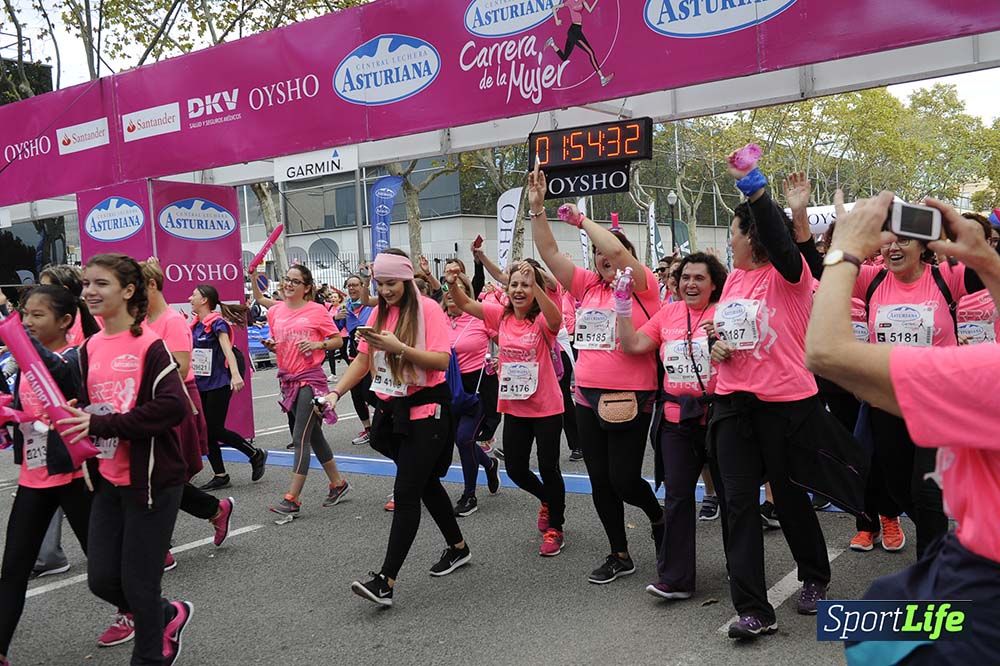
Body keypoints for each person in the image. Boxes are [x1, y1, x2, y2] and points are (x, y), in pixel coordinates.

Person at [806, 191, 1000, 664]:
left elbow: (824, 352)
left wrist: (845, 248)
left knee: (860, 627)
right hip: (905, 416)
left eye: (903, 240)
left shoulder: (983, 375)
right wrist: (988, 262)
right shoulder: (877, 285)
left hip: (983, 579)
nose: (893, 247)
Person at [707, 155, 832, 639]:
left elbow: (783, 244)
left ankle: (815, 575)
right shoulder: (735, 279)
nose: (729, 242)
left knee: (792, 498)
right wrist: (716, 344)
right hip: (733, 405)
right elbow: (730, 329)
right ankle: (755, 609)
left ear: (752, 235)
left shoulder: (790, 275)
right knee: (738, 504)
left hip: (787, 407)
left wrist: (756, 193)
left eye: (735, 232)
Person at [528, 164, 664, 582]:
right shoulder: (586, 286)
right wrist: (537, 210)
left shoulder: (644, 285)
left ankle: (660, 520)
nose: (605, 258)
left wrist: (585, 223)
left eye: (611, 252)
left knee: (624, 479)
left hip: (631, 397)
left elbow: (620, 254)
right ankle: (619, 553)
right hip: (586, 395)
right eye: (599, 255)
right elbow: (550, 254)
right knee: (601, 481)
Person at [58, 253, 193, 666]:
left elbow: (174, 407)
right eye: (86, 284)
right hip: (106, 479)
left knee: (139, 583)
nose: (90, 292)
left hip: (151, 479)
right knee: (101, 579)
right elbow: (91, 408)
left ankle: (151, 654)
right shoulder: (87, 348)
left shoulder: (150, 344)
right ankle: (166, 614)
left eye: (100, 284)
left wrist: (105, 425)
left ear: (128, 291)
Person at [323, 249, 470, 606]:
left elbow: (440, 360)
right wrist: (335, 392)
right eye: (381, 283)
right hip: (394, 413)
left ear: (405, 280)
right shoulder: (379, 312)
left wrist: (400, 348)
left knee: (406, 493)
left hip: (430, 413)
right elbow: (363, 358)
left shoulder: (429, 310)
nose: (385, 290)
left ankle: (385, 581)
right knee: (425, 483)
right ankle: (459, 547)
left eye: (391, 283)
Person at [847, 205, 988, 558]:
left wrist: (956, 241)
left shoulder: (947, 276)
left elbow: (982, 273)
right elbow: (819, 270)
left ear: (923, 245)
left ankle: (934, 567)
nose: (893, 247)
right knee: (899, 487)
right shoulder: (871, 279)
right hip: (889, 401)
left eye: (904, 240)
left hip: (939, 401)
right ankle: (939, 530)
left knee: (926, 489)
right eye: (888, 241)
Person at [617, 252, 729, 599]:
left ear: (714, 285)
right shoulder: (668, 313)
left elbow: (743, 358)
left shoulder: (724, 313)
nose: (690, 284)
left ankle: (742, 571)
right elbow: (633, 344)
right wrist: (622, 307)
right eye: (685, 278)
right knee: (678, 498)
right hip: (676, 420)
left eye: (699, 278)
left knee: (732, 498)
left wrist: (721, 343)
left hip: (720, 418)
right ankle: (676, 579)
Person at [0, 286, 91, 664]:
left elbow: (60, 376)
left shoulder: (72, 358)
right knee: (14, 568)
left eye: (38, 315)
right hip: (35, 478)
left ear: (66, 320)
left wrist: (16, 335)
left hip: (73, 476)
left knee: (102, 567)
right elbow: (26, 403)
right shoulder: (25, 360)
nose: (28, 321)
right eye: (25, 315)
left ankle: (157, 614)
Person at [452, 257, 566, 556]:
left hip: (546, 406)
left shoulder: (541, 320)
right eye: (514, 284)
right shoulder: (500, 317)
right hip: (515, 406)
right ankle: (547, 499)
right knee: (515, 468)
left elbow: (556, 320)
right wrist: (451, 282)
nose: (518, 289)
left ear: (535, 289)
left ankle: (556, 526)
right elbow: (464, 304)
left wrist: (537, 285)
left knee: (548, 467)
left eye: (525, 285)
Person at [250, 264, 349, 515]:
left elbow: (337, 340)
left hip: (311, 380)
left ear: (307, 288)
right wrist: (272, 346)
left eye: (295, 281)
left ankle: (292, 498)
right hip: (288, 379)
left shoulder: (316, 311)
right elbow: (279, 343)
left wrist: (317, 343)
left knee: (300, 438)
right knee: (313, 435)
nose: (289, 284)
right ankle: (338, 483)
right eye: (286, 279)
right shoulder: (276, 312)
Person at [29, 265, 101, 579]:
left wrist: (22, 341)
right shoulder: (37, 339)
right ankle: (47, 555)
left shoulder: (85, 335)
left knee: (105, 498)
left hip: (83, 434)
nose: (30, 317)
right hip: (45, 441)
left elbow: (64, 374)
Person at [190, 284, 267, 490]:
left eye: (194, 295)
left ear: (204, 300)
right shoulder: (195, 325)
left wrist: (234, 374)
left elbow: (227, 350)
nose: (190, 298)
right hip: (201, 383)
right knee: (207, 432)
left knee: (215, 429)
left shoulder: (217, 324)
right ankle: (220, 475)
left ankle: (254, 454)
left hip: (219, 383)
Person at [440, 273, 501, 516]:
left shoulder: (480, 317)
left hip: (477, 388)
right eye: (447, 287)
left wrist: (500, 360)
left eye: (458, 288)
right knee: (459, 438)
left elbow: (506, 342)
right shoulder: (437, 320)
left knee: (464, 438)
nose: (450, 292)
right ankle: (489, 463)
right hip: (446, 388)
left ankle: (469, 495)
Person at [545, 0, 614, 86]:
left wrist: (596, 1)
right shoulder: (569, 2)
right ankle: (602, 78)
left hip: (577, 30)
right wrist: (556, 20)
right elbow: (554, 8)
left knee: (564, 57)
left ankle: (552, 43)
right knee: (591, 53)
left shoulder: (582, 1)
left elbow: (590, 10)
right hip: (573, 31)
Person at [342, 274, 375, 447]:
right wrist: (337, 319)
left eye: (355, 285)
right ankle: (368, 429)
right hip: (353, 354)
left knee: (370, 393)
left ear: (363, 286)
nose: (352, 288)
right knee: (355, 393)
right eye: (349, 286)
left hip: (372, 355)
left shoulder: (371, 306)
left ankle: (384, 423)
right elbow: (338, 332)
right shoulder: (345, 307)